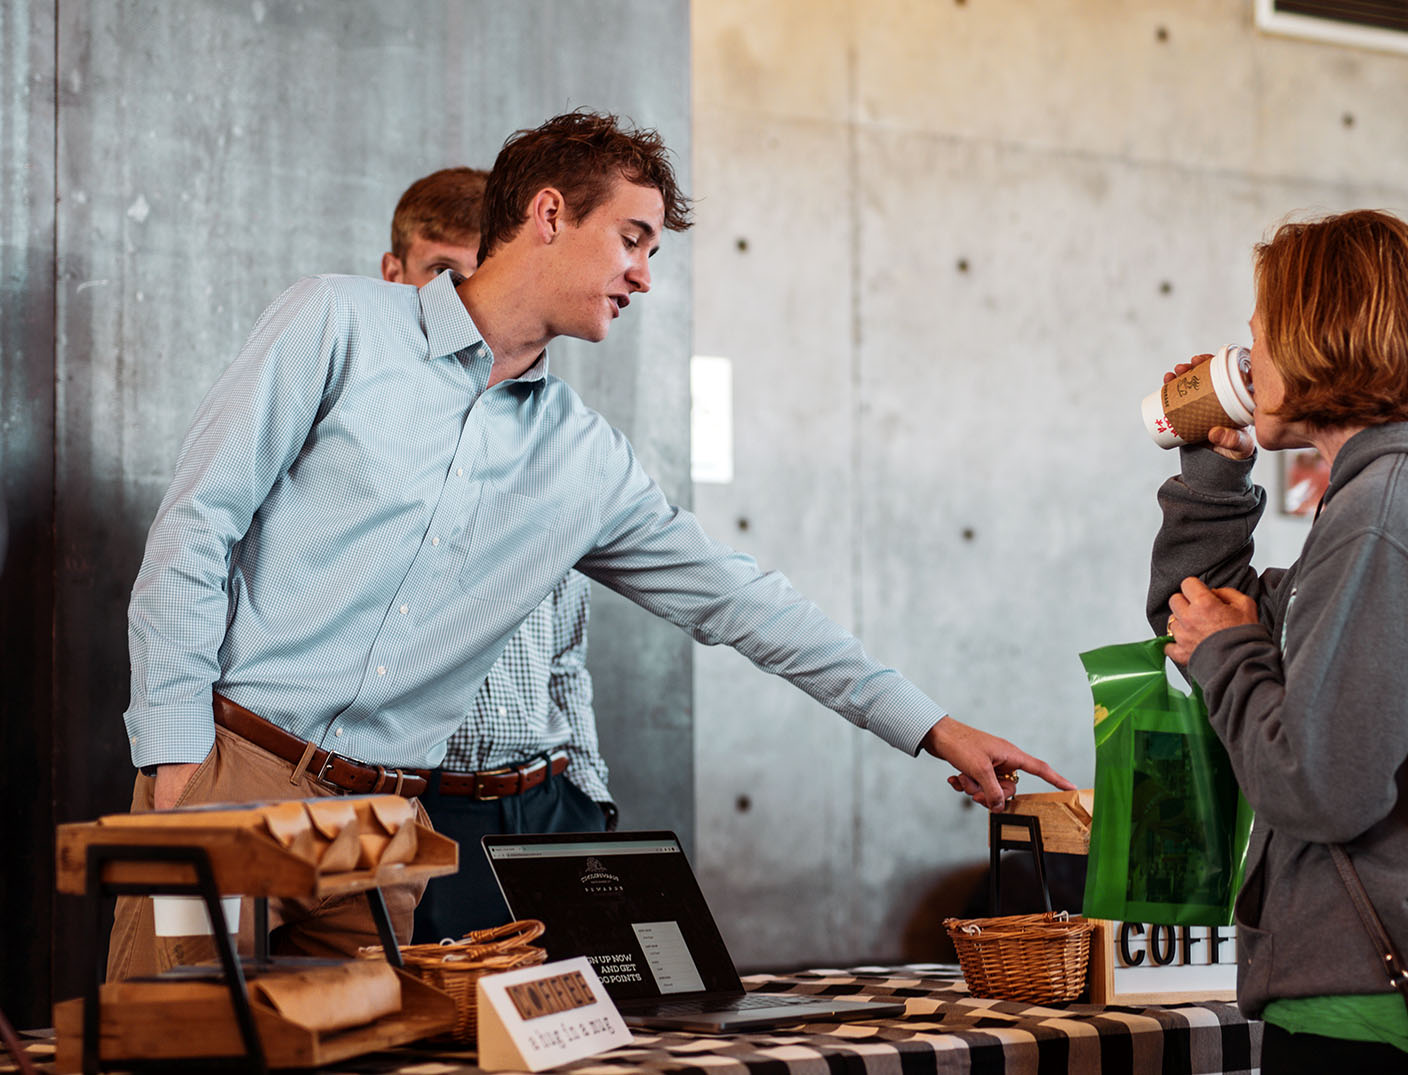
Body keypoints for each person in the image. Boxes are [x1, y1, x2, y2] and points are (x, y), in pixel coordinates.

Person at [112, 110, 1070, 979]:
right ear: (548, 213)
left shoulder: (585, 459)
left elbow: (745, 602)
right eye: (633, 238)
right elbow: (198, 524)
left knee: (362, 1058)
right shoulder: (336, 322)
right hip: (229, 780)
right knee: (171, 1047)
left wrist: (932, 725)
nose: (645, 275)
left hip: (379, 837)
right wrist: (175, 759)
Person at [1146, 209, 1408, 1073]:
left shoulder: (1384, 513)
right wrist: (1211, 471)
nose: (1247, 361)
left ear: (1320, 334)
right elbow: (1196, 612)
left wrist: (1226, 652)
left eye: (1260, 336)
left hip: (1371, 1009)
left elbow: (1323, 787)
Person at [382, 168, 616, 943]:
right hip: (423, 808)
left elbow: (566, 653)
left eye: (474, 271)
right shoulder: (368, 427)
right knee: (428, 1047)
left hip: (548, 803)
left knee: (582, 1046)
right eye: (439, 272)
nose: (461, 294)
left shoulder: (557, 442)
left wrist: (588, 798)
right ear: (395, 274)